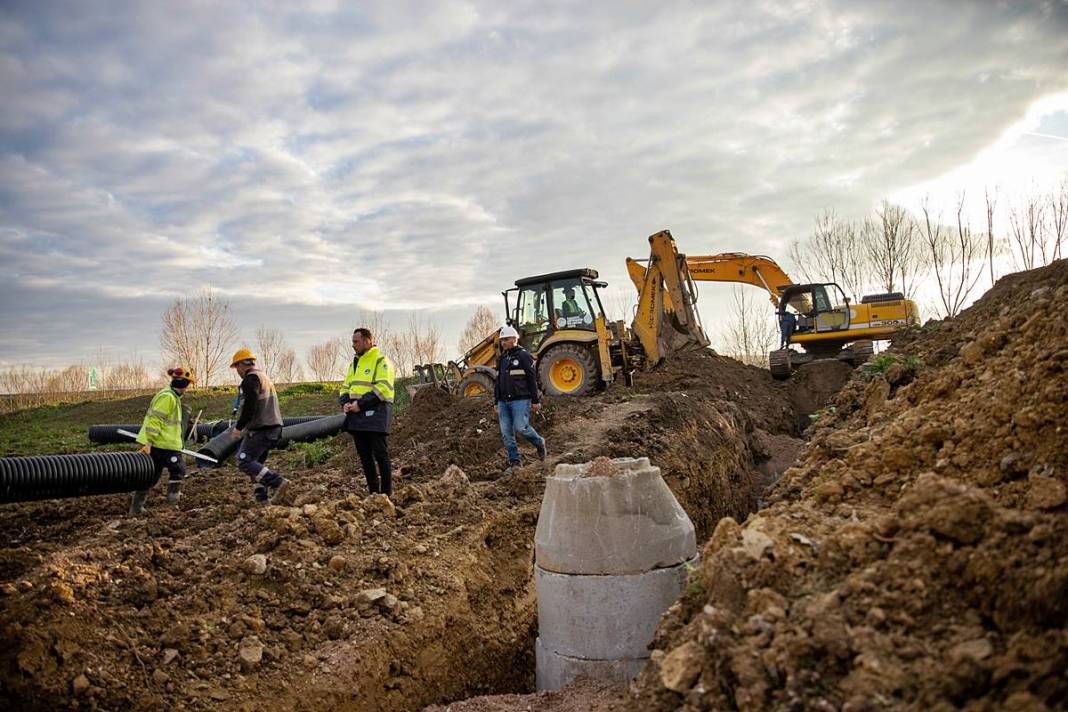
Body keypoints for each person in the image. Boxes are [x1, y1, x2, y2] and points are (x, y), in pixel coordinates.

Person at [130, 367, 195, 514]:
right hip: (161, 444)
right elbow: (155, 420)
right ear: (185, 385)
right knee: (178, 469)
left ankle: (137, 507)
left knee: (151, 475)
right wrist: (149, 443)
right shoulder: (168, 397)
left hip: (162, 443)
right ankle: (172, 504)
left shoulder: (172, 396)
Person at [230, 349, 291, 505]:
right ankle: (262, 499)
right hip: (271, 428)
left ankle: (277, 482)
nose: (237, 372)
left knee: (244, 461)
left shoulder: (250, 380)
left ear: (241, 365)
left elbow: (250, 406)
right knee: (256, 466)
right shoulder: (263, 377)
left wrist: (238, 427)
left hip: (262, 429)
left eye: (236, 368)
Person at [339, 328, 396, 496]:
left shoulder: (381, 360)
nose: (353, 345)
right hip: (357, 416)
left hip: (376, 414)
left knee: (380, 455)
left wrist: (360, 404)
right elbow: (345, 387)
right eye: (353, 342)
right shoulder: (354, 364)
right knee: (365, 457)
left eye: (356, 342)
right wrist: (345, 403)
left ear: (367, 341)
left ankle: (386, 494)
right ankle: (373, 493)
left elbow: (384, 388)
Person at [493, 325, 546, 474]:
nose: (504, 343)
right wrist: (496, 401)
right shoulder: (502, 359)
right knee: (506, 434)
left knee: (521, 427)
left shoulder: (524, 356)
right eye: (502, 340)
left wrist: (535, 400)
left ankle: (539, 442)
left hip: (520, 400)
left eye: (507, 339)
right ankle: (515, 463)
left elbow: (532, 379)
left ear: (515, 339)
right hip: (503, 402)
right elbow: (498, 381)